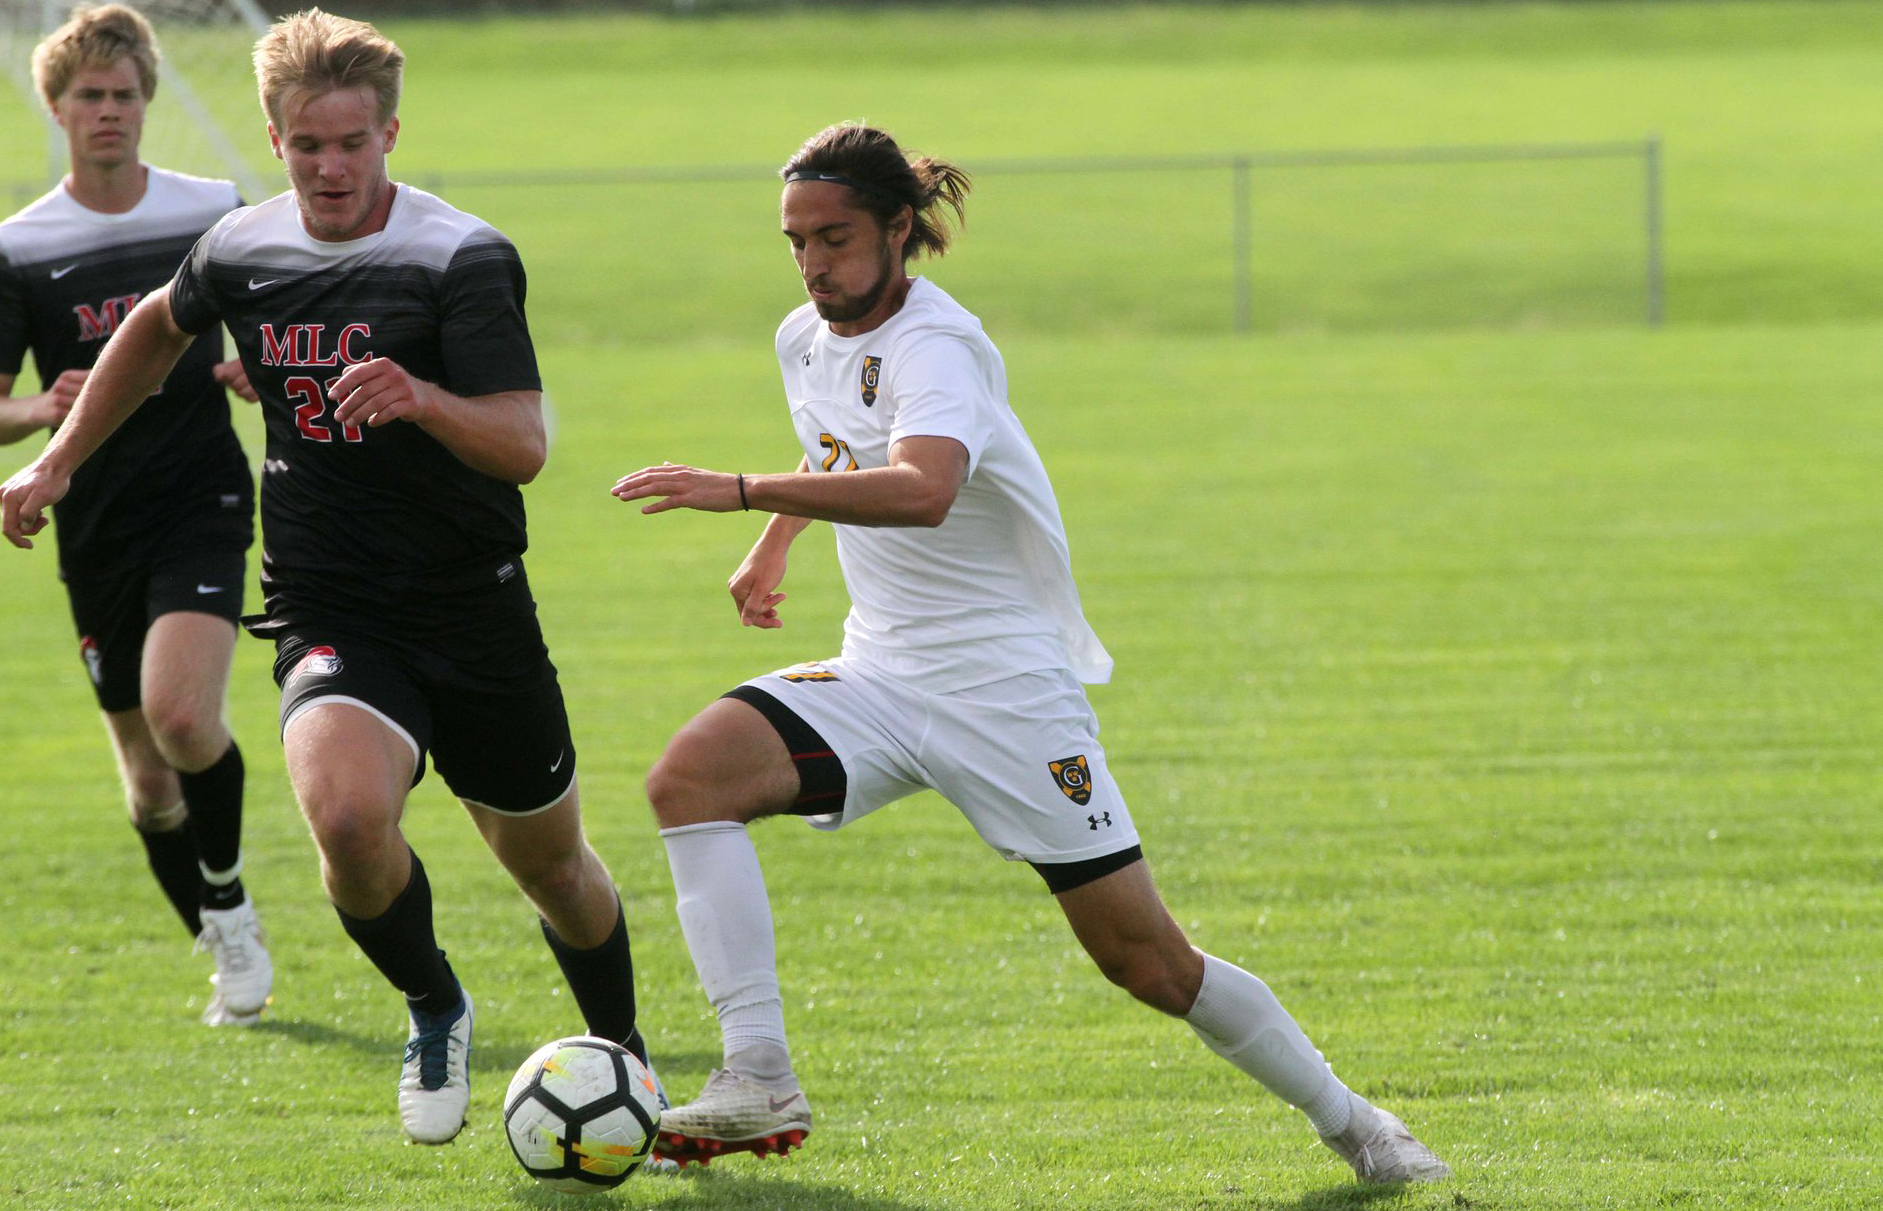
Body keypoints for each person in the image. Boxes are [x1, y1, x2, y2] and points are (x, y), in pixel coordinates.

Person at [611, 122, 1451, 1185]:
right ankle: (758, 1072)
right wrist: (773, 539)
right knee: (688, 778)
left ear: (897, 228)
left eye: (833, 237)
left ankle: (1358, 1124)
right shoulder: (802, 337)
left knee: (1144, 960)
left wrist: (738, 490)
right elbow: (836, 442)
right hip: (876, 671)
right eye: (795, 242)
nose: (813, 263)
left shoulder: (937, 344)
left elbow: (921, 486)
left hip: (1002, 693)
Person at [0, 8, 655, 1146]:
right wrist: (56, 458)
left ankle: (626, 1057)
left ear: (390, 132)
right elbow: (155, 329)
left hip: (472, 603)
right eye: (307, 144)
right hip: (329, 604)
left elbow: (523, 444)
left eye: (351, 142)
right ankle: (434, 1002)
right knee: (348, 820)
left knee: (552, 868)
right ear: (275, 131)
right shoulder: (242, 248)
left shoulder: (460, 256)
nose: (330, 166)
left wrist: (423, 399)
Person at [0, 3, 270, 1029]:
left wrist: (253, 364)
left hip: (202, 494)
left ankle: (227, 903)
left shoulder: (209, 210)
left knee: (185, 716)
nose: (109, 112)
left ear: (148, 102)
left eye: (125, 95)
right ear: (55, 106)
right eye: (89, 96)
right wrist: (34, 412)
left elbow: (278, 321)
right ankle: (222, 936)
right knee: (146, 784)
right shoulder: (20, 244)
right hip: (91, 518)